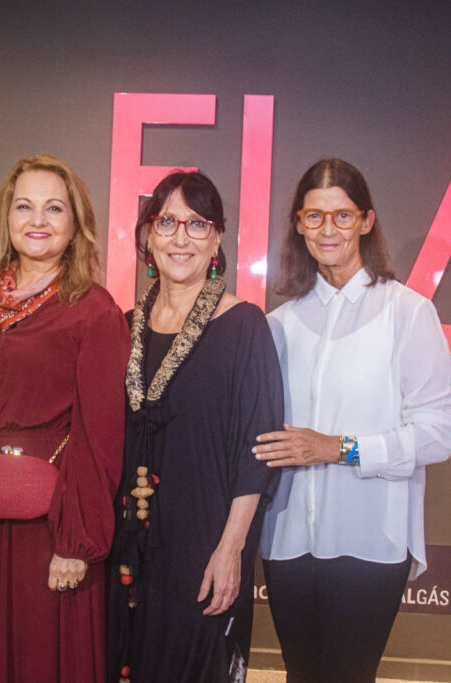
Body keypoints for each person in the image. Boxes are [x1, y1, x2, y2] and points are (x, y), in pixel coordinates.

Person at [0, 155, 129, 682]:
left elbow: (98, 436)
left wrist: (76, 543)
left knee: (38, 654)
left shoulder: (94, 311)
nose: (37, 220)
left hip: (50, 515)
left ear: (75, 224)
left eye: (54, 208)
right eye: (25, 206)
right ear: (7, 218)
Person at [254, 158, 451, 682]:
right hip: (286, 540)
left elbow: (436, 434)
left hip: (372, 540)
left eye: (342, 216)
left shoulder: (408, 313)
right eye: (314, 217)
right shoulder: (277, 324)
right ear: (298, 224)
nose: (328, 230)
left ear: (366, 221)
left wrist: (338, 447)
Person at [107, 171, 283, 682]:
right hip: (128, 546)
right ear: (146, 235)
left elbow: (258, 453)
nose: (180, 238)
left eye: (197, 224)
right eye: (167, 222)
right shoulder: (122, 327)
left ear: (218, 239)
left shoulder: (245, 327)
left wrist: (231, 551)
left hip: (204, 546)